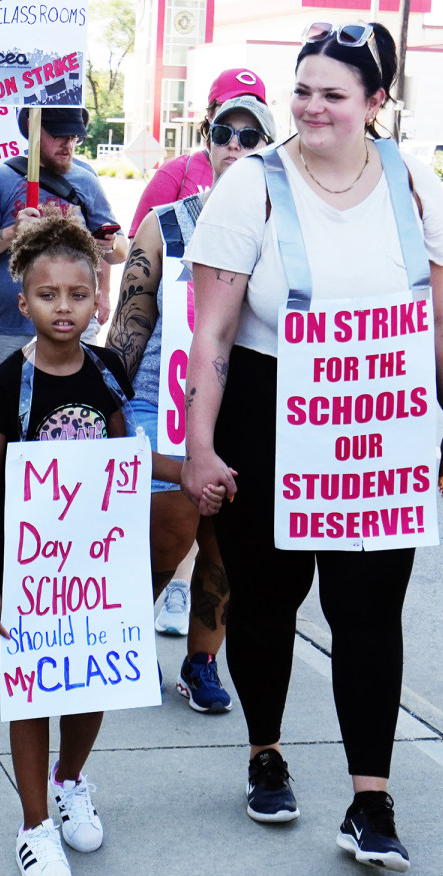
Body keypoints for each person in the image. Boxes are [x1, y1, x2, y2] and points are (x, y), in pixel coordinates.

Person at [181, 21, 443, 871]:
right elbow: (213, 336)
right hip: (269, 414)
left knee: (369, 613)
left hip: (380, 421)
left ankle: (370, 800)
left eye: (333, 94)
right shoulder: (252, 186)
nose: (310, 107)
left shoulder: (414, 181)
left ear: (378, 103)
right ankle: (265, 751)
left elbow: (442, 314)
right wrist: (200, 446)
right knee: (266, 604)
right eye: (301, 89)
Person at [0, 215, 135, 876]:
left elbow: (128, 458)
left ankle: (70, 782)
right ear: (22, 299)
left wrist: (189, 475)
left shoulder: (108, 369)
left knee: (89, 678)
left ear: (98, 298)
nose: (64, 308)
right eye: (48, 295)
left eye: (78, 295)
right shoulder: (6, 383)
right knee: (32, 694)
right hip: (27, 569)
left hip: (94, 569)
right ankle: (35, 825)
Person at [109, 89, 276, 712]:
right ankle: (123, 635)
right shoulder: (168, 223)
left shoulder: (279, 230)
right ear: (206, 142)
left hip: (244, 408)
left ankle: (202, 661)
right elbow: (130, 321)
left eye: (250, 137)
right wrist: (103, 402)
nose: (235, 146)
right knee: (168, 532)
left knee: (224, 549)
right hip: (163, 402)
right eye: (223, 134)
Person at [0, 106, 127, 371]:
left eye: (74, 137)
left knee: (74, 406)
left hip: (74, 322)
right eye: (60, 135)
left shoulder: (86, 181)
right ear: (32, 129)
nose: (68, 144)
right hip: (11, 326)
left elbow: (121, 251)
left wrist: (109, 244)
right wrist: (12, 232)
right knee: (8, 408)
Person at [127, 67, 269, 237]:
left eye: (249, 105)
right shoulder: (175, 171)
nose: (234, 143)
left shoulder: (273, 183)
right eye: (228, 103)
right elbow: (141, 243)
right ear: (210, 114)